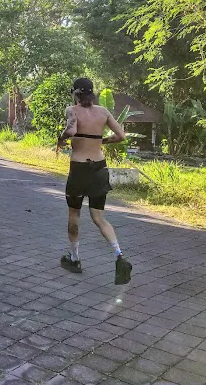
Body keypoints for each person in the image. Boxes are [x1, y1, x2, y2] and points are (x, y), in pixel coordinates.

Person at [56, 78, 132, 285]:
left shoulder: (72, 110)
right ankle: (119, 257)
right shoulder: (104, 112)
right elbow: (121, 136)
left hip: (80, 169)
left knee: (74, 215)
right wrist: (102, 140)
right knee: (99, 218)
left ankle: (75, 258)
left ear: (75, 94)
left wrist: (61, 138)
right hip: (100, 168)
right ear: (92, 94)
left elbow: (71, 131)